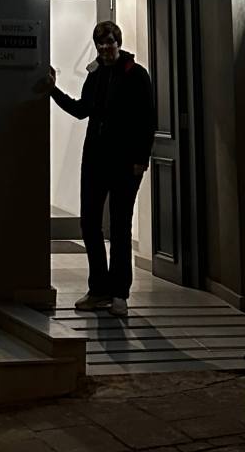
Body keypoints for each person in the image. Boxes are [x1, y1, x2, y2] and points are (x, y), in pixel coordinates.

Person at [47, 20, 155, 317]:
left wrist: (141, 159)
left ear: (118, 43)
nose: (105, 48)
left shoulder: (136, 75)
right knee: (90, 224)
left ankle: (119, 294)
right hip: (95, 160)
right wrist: (53, 91)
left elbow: (147, 120)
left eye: (109, 42)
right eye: (100, 44)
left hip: (125, 163)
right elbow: (82, 110)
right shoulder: (95, 76)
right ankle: (99, 289)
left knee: (120, 227)